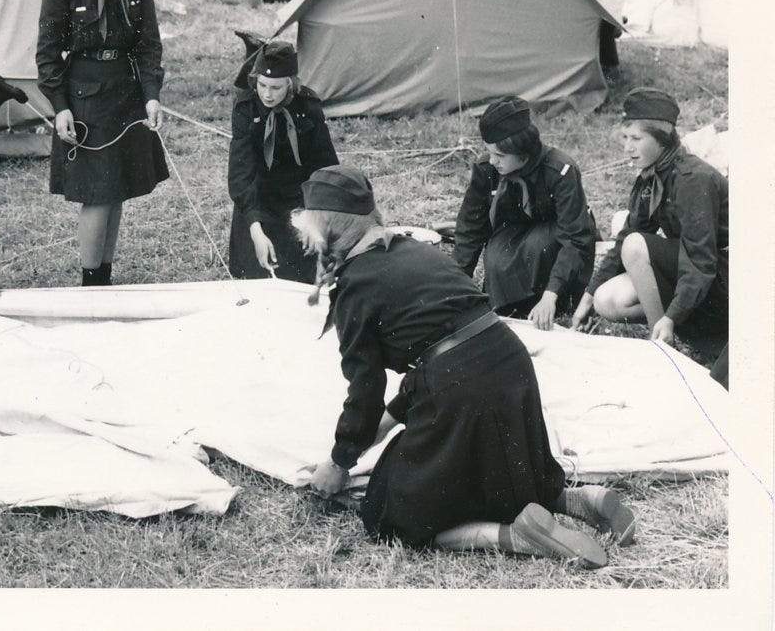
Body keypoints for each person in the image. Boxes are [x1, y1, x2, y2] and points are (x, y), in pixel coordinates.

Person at [295, 166, 636, 568]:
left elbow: (365, 391)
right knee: (500, 469)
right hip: (507, 360)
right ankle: (578, 500)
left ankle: (514, 536)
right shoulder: (413, 251)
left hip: (462, 386)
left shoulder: (355, 287)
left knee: (391, 514)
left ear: (325, 232)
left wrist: (338, 463)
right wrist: (363, 442)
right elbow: (427, 365)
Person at [36, 0, 168, 287]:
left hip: (125, 93)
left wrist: (152, 94)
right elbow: (47, 54)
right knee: (97, 193)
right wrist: (60, 107)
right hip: (84, 96)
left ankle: (104, 276)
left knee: (118, 189)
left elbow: (149, 44)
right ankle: (91, 283)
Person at [572, 89, 729, 387]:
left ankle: (663, 343)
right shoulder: (652, 174)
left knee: (636, 245)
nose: (627, 147)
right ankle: (672, 327)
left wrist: (670, 316)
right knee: (608, 300)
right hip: (697, 269)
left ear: (662, 137)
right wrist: (588, 298)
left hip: (724, 278)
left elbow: (700, 259)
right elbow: (627, 234)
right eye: (624, 138)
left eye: (636, 139)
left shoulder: (693, 179)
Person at [453, 97, 597, 329]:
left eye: (500, 156)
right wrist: (456, 285)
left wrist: (551, 294)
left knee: (538, 245)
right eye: (489, 153)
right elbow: (470, 228)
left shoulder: (560, 170)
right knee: (497, 258)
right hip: (513, 233)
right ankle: (515, 303)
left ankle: (552, 301)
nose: (492, 161)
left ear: (522, 152)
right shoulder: (486, 169)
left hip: (556, 238)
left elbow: (575, 237)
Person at [227, 42, 338, 282]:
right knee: (256, 277)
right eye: (262, 85)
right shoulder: (245, 108)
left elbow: (325, 166)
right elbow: (241, 173)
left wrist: (315, 216)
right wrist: (255, 229)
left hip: (298, 201)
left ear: (291, 83)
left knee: (303, 277)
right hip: (258, 198)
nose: (267, 94)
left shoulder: (308, 107)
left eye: (276, 87)